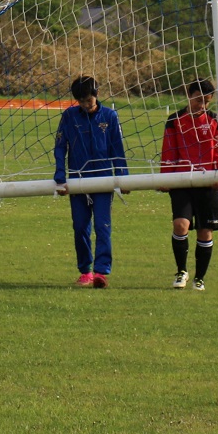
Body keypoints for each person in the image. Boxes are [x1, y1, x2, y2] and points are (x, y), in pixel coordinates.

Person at [53, 75, 127, 288]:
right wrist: (60, 175)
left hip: (103, 179)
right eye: (81, 101)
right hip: (77, 179)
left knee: (103, 225)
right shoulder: (69, 116)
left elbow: (117, 149)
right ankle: (85, 271)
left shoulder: (109, 116)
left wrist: (123, 178)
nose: (86, 105)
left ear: (96, 95)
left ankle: (101, 272)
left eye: (89, 100)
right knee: (80, 227)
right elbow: (60, 146)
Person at [161, 78, 218, 291]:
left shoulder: (216, 120)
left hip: (209, 183)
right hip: (182, 182)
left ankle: (200, 277)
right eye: (199, 100)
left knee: (205, 232)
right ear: (189, 96)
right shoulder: (174, 121)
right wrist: (165, 178)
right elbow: (168, 152)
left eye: (206, 102)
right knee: (181, 225)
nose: (202, 106)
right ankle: (181, 271)